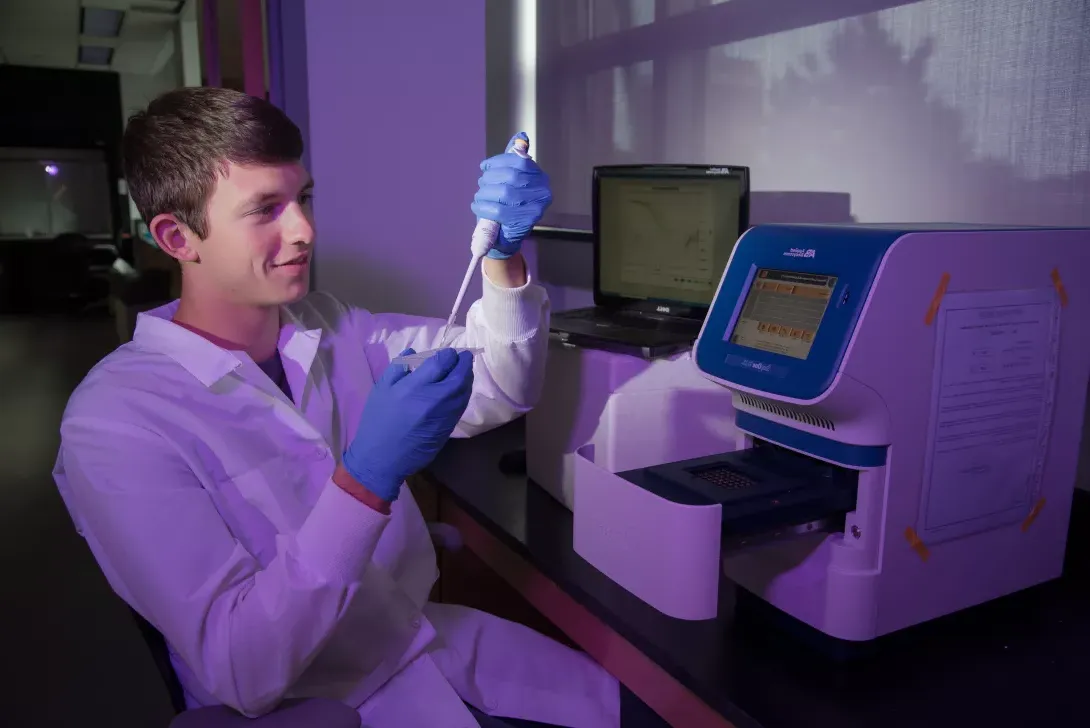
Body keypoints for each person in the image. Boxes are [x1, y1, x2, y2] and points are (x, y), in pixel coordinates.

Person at [52, 87, 622, 728]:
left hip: (432, 644)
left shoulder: (332, 327)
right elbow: (241, 665)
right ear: (177, 236)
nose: (304, 231)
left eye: (304, 199)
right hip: (318, 706)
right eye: (265, 209)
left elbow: (504, 383)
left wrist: (502, 261)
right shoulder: (116, 421)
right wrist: (365, 482)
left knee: (635, 712)